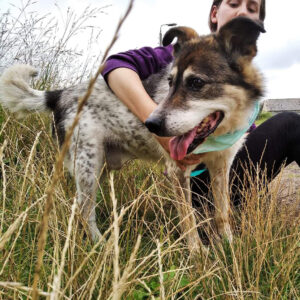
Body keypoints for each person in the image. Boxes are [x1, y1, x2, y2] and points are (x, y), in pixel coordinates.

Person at [102, 0, 300, 207]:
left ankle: (241, 205)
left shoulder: (242, 72)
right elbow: (115, 65)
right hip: (194, 179)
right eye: (234, 4)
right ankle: (206, 212)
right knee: (291, 122)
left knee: (290, 124)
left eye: (252, 9)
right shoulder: (182, 53)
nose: (242, 11)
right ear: (215, 13)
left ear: (256, 25)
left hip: (234, 172)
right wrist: (155, 125)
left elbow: (248, 133)